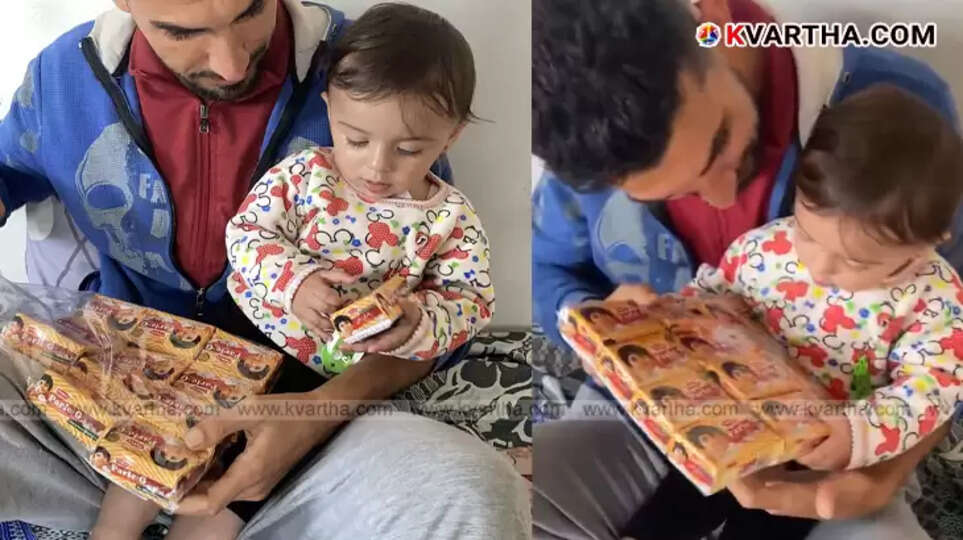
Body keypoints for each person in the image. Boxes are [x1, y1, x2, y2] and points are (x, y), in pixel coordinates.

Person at [0, 1, 527, 538]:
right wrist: (295, 283)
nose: (230, 66)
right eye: (182, 31)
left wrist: (316, 413)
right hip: (128, 384)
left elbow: (453, 306)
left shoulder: (375, 73)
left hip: (314, 416)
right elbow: (7, 170)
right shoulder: (63, 78)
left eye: (250, 12)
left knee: (471, 494)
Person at [531, 0, 961, 538]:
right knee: (507, 496)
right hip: (661, 408)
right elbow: (547, 269)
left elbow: (941, 375)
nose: (722, 197)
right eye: (677, 190)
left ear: (706, 14)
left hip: (844, 445)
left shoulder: (903, 111)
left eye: (720, 143)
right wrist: (593, 319)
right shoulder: (577, 123)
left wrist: (875, 472)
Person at [623, 85, 963, 540]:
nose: (819, 267)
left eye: (856, 262)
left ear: (930, 243)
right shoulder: (768, 247)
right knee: (680, 497)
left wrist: (856, 433)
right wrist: (676, 315)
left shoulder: (936, 300)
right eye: (807, 232)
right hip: (734, 421)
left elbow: (930, 393)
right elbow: (713, 294)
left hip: (823, 450)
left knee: (769, 523)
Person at [227, 3, 494, 372]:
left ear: (450, 137)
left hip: (359, 373)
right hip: (260, 336)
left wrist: (417, 322)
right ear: (330, 112)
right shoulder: (306, 175)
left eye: (408, 150)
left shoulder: (452, 219)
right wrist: (296, 283)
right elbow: (246, 234)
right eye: (356, 140)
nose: (377, 167)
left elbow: (470, 301)